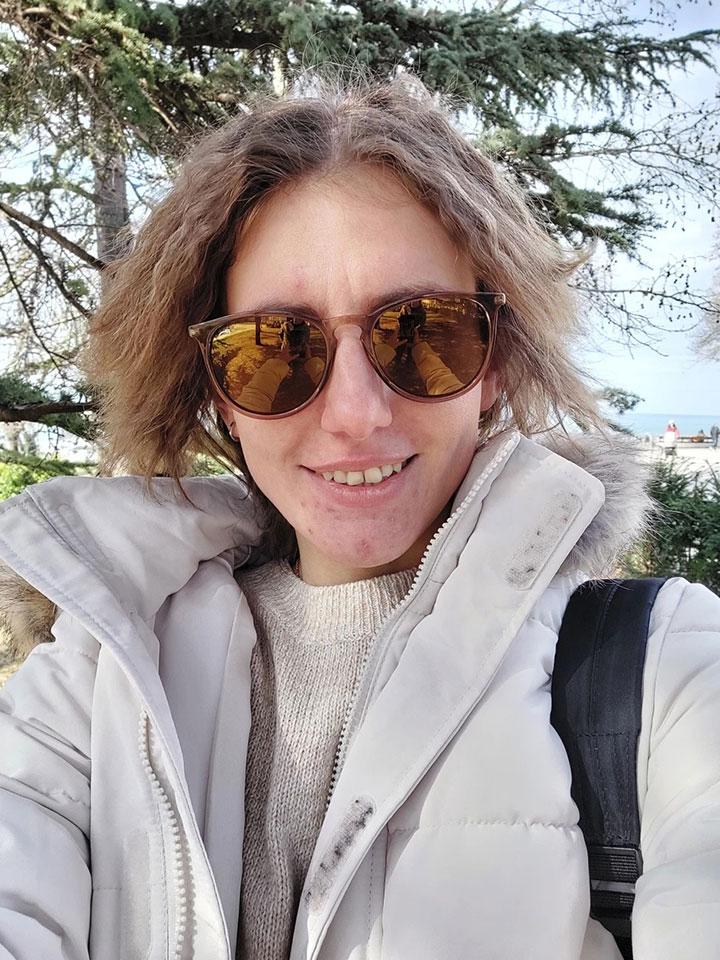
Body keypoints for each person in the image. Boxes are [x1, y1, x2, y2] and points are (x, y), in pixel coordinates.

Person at [0, 78, 719, 960]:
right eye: (272, 348)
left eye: (422, 333)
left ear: (495, 361)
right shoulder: (97, 674)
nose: (354, 414)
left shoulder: (666, 669)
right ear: (218, 392)